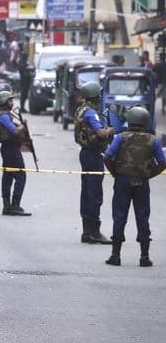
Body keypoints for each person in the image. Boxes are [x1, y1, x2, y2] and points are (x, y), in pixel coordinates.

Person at [103, 107, 166, 266]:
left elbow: (107, 157)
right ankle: (144, 257)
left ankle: (115, 256)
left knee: (119, 216)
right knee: (143, 217)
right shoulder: (153, 140)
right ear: (145, 121)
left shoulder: (120, 137)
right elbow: (163, 162)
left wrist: (115, 173)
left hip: (122, 181)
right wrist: (149, 175)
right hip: (142, 183)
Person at [74, 81, 115, 244]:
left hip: (85, 153)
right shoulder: (91, 113)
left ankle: (86, 231)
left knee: (86, 191)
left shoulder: (80, 110)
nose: (100, 96)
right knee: (95, 192)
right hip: (93, 154)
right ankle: (94, 232)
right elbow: (100, 133)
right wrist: (110, 131)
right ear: (95, 96)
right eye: (98, 94)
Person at [0, 91, 32, 216]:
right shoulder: (3, 116)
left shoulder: (0, 114)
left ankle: (7, 206)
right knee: (21, 176)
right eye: (10, 101)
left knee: (8, 176)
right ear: (3, 102)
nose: (12, 103)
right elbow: (15, 131)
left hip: (7, 149)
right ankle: (15, 205)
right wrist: (23, 126)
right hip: (11, 150)